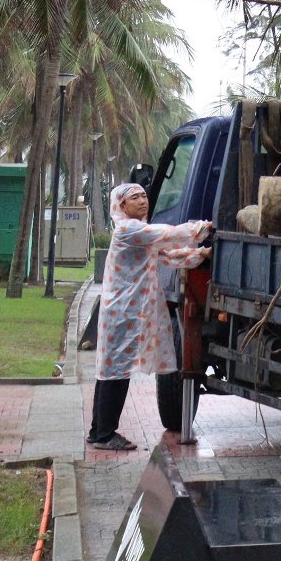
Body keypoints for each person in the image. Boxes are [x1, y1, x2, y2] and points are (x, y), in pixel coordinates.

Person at [88, 183, 210, 451]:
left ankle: (98, 431)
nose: (143, 201)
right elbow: (167, 235)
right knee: (116, 373)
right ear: (121, 205)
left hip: (125, 312)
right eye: (135, 197)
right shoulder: (130, 230)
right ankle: (105, 435)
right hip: (122, 313)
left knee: (111, 372)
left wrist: (199, 254)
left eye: (144, 196)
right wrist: (199, 230)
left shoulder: (139, 235)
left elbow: (168, 254)